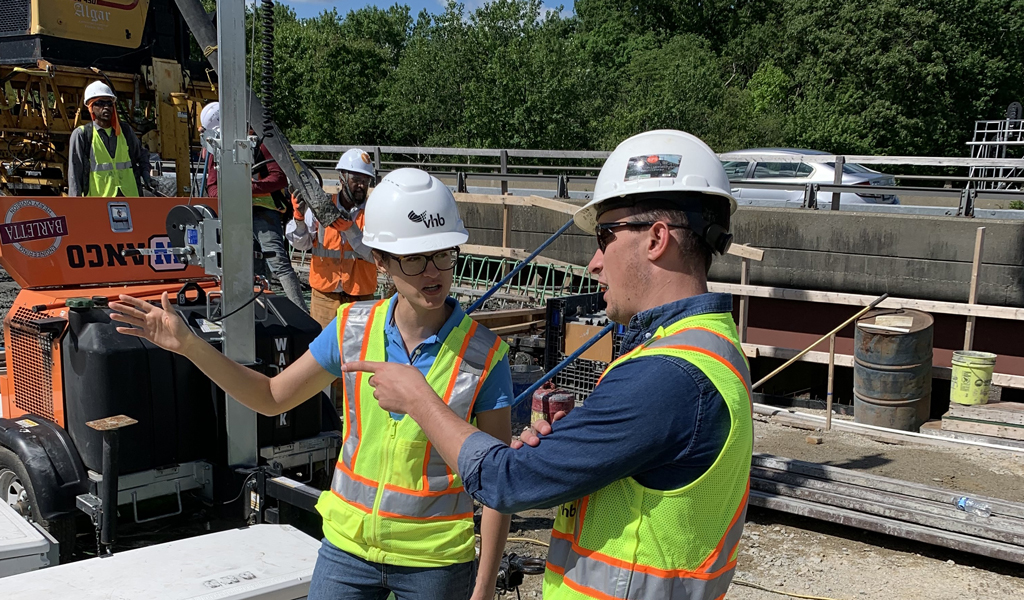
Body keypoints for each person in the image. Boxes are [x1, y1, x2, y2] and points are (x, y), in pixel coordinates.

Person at [344, 130, 754, 600]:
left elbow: (505, 480)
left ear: (657, 238)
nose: (594, 263)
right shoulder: (709, 348)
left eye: (605, 237)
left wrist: (419, 399)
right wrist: (574, 446)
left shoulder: (669, 375)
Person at [108, 167, 515, 600]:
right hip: (348, 551)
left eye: (443, 253)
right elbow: (270, 397)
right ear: (380, 259)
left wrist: (485, 584)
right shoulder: (353, 329)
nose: (433, 271)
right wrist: (190, 346)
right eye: (414, 258)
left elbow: (497, 484)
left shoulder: (484, 355)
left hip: (434, 561)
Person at [200, 102, 308, 312]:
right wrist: (231, 192)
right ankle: (258, 313)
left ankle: (303, 315)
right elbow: (212, 187)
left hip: (263, 212)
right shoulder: (214, 149)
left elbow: (278, 178)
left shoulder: (258, 143)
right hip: (235, 216)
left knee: (278, 263)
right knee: (248, 268)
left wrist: (247, 188)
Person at [286, 149, 377, 328]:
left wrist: (352, 231)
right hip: (324, 297)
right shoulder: (321, 207)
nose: (361, 186)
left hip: (361, 297)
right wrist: (299, 219)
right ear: (342, 178)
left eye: (365, 181)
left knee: (360, 351)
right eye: (356, 180)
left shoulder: (375, 212)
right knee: (322, 352)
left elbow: (377, 256)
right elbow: (301, 244)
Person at [68, 81, 152, 197]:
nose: (106, 107)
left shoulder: (125, 131)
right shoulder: (82, 134)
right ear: (91, 107)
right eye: (100, 103)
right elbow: (74, 175)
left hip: (130, 198)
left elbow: (142, 154)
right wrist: (75, 205)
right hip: (98, 202)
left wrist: (146, 174)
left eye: (109, 103)